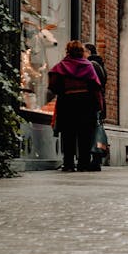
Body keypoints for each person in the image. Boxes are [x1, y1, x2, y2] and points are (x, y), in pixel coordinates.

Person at [48, 40, 103, 172]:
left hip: (67, 102)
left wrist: (63, 91)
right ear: (81, 52)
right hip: (86, 103)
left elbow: (53, 85)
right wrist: (98, 105)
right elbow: (96, 87)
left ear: (68, 51)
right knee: (85, 135)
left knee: (68, 134)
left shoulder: (61, 66)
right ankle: (83, 164)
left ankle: (68, 164)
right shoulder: (88, 66)